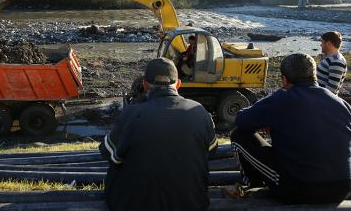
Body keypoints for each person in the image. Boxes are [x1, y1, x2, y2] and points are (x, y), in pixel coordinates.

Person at [230, 53, 351, 204]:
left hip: (297, 189)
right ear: (314, 75)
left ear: (284, 79)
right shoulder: (341, 104)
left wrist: (267, 119)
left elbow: (241, 120)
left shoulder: (281, 99)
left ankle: (253, 185)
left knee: (238, 135)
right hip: (341, 190)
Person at [99, 57, 217, 211]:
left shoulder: (132, 113)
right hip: (192, 204)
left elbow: (107, 152)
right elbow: (212, 152)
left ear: (145, 85)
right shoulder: (200, 112)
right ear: (178, 84)